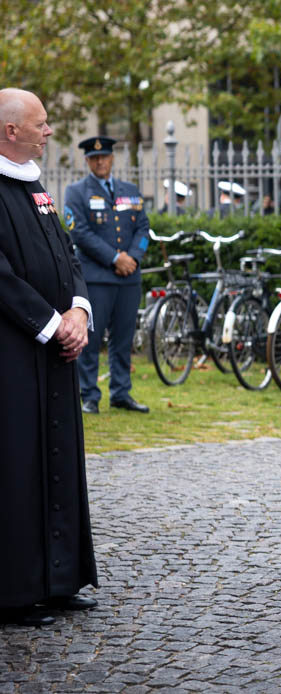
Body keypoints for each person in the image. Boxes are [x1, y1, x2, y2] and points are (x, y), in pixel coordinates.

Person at [0, 87, 99, 627]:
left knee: (58, 460)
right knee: (18, 466)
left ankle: (59, 580)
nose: (50, 131)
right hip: (14, 354)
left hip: (55, 349)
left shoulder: (36, 185)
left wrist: (79, 310)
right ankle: (14, 591)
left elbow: (67, 254)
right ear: (10, 130)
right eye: (41, 123)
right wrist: (48, 324)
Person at [65, 135, 150, 415]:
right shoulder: (77, 192)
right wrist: (115, 258)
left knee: (123, 340)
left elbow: (143, 228)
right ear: (88, 161)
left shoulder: (130, 190)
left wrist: (133, 258)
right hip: (97, 278)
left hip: (129, 278)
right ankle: (89, 395)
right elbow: (79, 232)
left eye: (104, 157)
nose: (99, 161)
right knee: (91, 340)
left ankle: (121, 393)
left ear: (112, 158)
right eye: (93, 158)